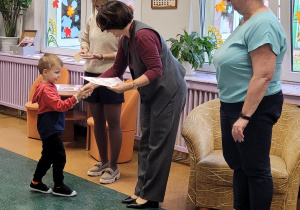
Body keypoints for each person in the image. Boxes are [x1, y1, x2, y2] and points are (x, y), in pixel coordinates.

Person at [82, 1, 187, 209]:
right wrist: (93, 84)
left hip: (169, 92)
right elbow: (116, 69)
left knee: (159, 145)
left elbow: (156, 70)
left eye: (107, 27)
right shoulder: (125, 38)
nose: (107, 32)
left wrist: (129, 86)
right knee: (146, 142)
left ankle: (151, 197)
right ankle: (142, 191)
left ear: (115, 23)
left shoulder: (142, 35)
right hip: (151, 91)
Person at [213, 0, 287, 209]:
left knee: (255, 169)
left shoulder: (263, 23)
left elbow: (264, 75)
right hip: (233, 105)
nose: (227, 1)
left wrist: (244, 117)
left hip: (253, 107)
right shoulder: (247, 21)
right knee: (239, 166)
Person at [29, 53, 90, 197]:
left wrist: (77, 96)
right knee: (59, 157)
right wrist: (76, 98)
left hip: (49, 127)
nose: (58, 76)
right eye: (56, 72)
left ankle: (36, 182)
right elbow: (59, 106)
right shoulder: (46, 89)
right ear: (45, 72)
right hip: (50, 129)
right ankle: (58, 185)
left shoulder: (48, 86)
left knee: (48, 156)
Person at [77, 0, 123, 184]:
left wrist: (102, 56)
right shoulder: (91, 18)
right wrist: (86, 48)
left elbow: (122, 51)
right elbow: (85, 38)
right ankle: (103, 162)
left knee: (113, 123)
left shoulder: (119, 21)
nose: (99, 10)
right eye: (97, 6)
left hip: (112, 75)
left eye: (103, 6)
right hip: (91, 73)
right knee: (97, 120)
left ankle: (114, 166)